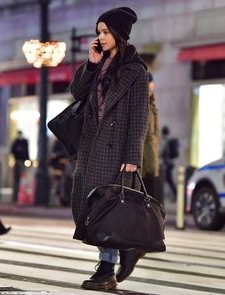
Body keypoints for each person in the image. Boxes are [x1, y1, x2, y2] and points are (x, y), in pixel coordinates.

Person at [69, 7, 149, 290]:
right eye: (98, 32)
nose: (100, 37)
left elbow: (140, 116)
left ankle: (106, 270)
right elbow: (77, 93)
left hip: (117, 152)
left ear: (118, 34)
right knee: (85, 209)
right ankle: (127, 248)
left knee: (107, 211)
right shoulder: (98, 64)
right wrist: (90, 65)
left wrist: (133, 156)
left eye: (105, 32)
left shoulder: (136, 71)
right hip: (90, 148)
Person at [142, 72, 161, 202]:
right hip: (146, 163)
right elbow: (148, 137)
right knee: (149, 197)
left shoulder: (150, 104)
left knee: (150, 198)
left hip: (149, 159)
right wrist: (151, 165)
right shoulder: (145, 105)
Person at [11, 130, 30, 203]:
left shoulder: (25, 141)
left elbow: (26, 151)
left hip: (23, 161)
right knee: (17, 179)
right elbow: (13, 150)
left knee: (23, 178)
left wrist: (28, 159)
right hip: (18, 161)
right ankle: (16, 197)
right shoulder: (16, 141)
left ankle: (22, 196)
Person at [161, 126, 177, 201]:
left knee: (168, 180)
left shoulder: (164, 140)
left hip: (166, 165)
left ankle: (175, 194)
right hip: (170, 164)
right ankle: (174, 194)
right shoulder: (169, 140)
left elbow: (161, 152)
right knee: (169, 180)